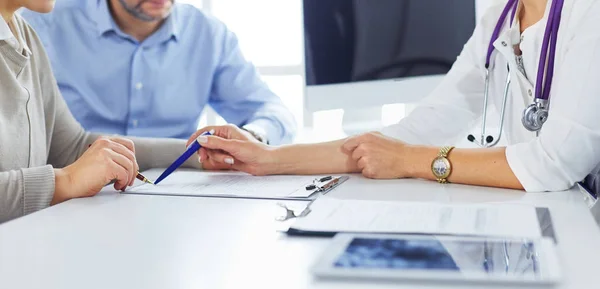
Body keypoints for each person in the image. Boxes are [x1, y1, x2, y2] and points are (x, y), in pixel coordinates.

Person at [187, 0, 600, 193]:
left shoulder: (589, 13)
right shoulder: (501, 19)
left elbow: (554, 163)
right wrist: (270, 159)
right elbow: (411, 131)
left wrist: (409, 160)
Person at [0, 2, 202, 223]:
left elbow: (73, 147)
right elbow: (71, 169)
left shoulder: (24, 34)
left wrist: (195, 153)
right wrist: (66, 180)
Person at [19, 0, 296, 145]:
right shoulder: (44, 23)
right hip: (75, 190)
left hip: (176, 190)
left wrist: (255, 135)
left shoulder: (208, 34)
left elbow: (271, 111)